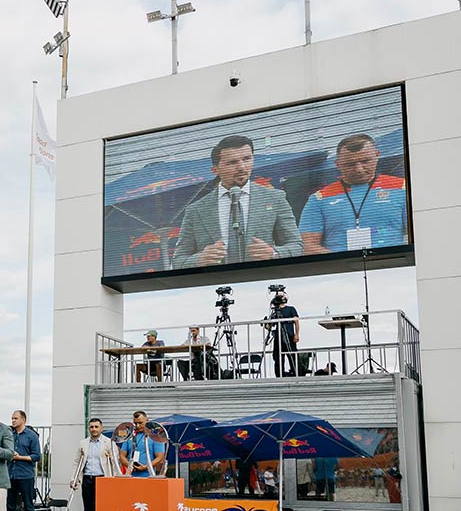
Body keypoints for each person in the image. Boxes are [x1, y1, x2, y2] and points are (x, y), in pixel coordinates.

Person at [172, 135, 303, 268]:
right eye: (232, 162)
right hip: (217, 284)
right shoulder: (196, 210)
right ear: (215, 170)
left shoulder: (275, 198)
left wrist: (274, 254)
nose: (241, 167)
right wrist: (199, 260)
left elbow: (296, 246)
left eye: (247, 159)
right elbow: (178, 261)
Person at [299, 133, 408, 256]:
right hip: (342, 270)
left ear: (377, 156)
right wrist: (340, 262)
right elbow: (307, 246)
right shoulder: (319, 198)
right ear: (338, 164)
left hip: (391, 265)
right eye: (350, 164)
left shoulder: (402, 188)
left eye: (365, 161)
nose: (359, 169)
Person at [70, 418, 123, 511]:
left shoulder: (109, 443)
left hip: (103, 479)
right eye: (91, 427)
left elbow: (115, 463)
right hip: (88, 480)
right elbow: (77, 462)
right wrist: (73, 479)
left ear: (101, 428)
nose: (94, 429)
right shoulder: (83, 443)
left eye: (96, 427)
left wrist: (116, 480)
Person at [7, 410, 42, 511]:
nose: (13, 420)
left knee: (28, 506)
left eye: (15, 418)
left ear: (23, 420)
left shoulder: (31, 436)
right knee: (10, 506)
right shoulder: (9, 435)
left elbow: (36, 456)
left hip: (26, 476)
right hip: (11, 475)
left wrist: (19, 457)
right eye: (12, 418)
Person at [266, 290, 301, 377]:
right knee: (278, 358)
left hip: (289, 335)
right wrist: (265, 324)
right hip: (278, 338)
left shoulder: (290, 309)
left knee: (292, 355)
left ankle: (296, 373)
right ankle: (279, 375)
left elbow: (296, 321)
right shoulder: (275, 312)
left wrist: (297, 334)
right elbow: (269, 327)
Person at [126, 410, 165, 477]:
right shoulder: (130, 436)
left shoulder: (155, 436)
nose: (137, 426)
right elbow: (121, 456)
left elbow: (160, 457)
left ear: (147, 421)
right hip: (130, 476)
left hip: (148, 476)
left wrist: (146, 467)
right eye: (135, 423)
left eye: (140, 423)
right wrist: (129, 466)